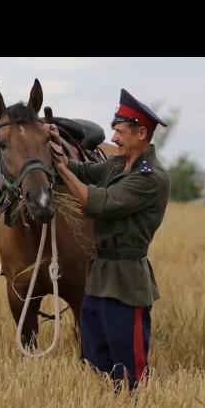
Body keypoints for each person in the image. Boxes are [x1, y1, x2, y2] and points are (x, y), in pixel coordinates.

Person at [47, 88, 171, 390]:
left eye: (119, 131)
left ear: (141, 133)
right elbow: (83, 171)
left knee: (130, 372)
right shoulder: (118, 164)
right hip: (99, 278)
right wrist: (57, 154)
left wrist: (62, 169)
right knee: (95, 363)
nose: (113, 138)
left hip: (127, 282)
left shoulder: (150, 177)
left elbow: (98, 202)